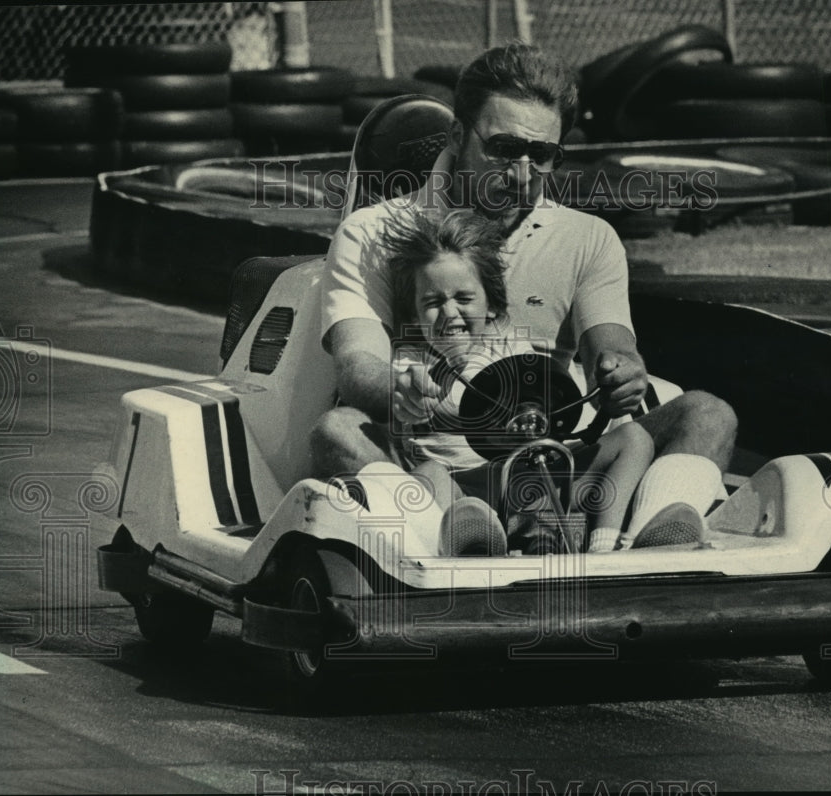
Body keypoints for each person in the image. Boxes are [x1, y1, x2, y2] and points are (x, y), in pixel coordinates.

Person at [311, 42, 737, 550]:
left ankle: (657, 540)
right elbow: (359, 364)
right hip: (435, 456)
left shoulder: (587, 237)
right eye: (505, 148)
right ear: (457, 135)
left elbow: (612, 346)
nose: (522, 173)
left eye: (542, 155)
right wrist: (397, 388)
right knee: (338, 430)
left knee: (709, 414)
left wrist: (622, 371)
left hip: (550, 454)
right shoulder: (374, 233)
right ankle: (459, 534)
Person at [377, 206, 656, 554]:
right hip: (459, 484)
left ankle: (608, 546)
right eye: (432, 302)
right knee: (428, 473)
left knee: (634, 437)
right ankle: (475, 541)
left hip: (523, 474)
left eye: (464, 299)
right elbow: (401, 404)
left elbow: (550, 404)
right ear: (415, 315)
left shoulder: (512, 348)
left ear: (492, 305)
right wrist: (413, 392)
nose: (450, 313)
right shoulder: (409, 362)